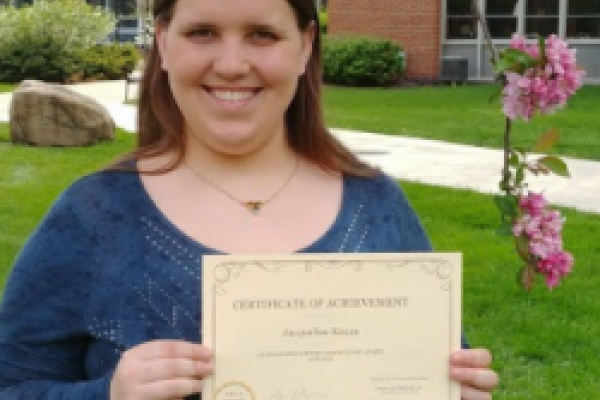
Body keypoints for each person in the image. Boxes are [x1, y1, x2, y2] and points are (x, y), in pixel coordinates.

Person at [0, 0, 499, 399]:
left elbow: (435, 365)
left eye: (262, 34)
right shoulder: (93, 215)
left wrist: (460, 389)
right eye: (203, 33)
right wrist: (108, 394)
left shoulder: (376, 206)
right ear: (164, 44)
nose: (233, 64)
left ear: (305, 47)